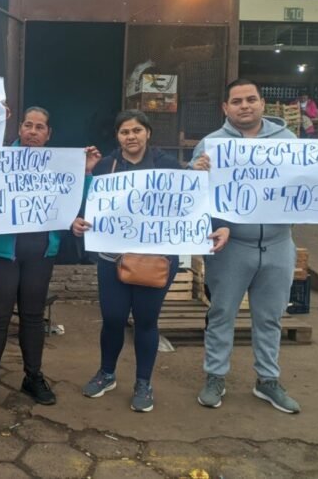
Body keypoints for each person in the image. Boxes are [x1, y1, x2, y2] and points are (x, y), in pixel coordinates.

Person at [191, 79, 318, 414]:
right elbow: (193, 196)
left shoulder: (288, 141)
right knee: (221, 313)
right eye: (237, 101)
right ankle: (215, 376)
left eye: (251, 99)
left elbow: (312, 181)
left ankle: (268, 380)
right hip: (231, 246)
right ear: (225, 108)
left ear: (262, 103)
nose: (245, 106)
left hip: (279, 244)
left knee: (270, 317)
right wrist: (194, 172)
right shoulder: (211, 145)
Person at [71, 109, 229, 413]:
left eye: (137, 130)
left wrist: (216, 219)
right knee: (113, 319)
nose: (130, 136)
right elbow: (85, 209)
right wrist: (77, 220)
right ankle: (106, 374)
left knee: (146, 321)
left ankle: (143, 382)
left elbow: (193, 202)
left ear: (148, 133)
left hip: (156, 261)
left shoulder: (169, 166)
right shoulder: (104, 166)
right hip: (112, 258)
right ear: (117, 136)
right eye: (124, 132)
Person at [0, 106, 101, 412]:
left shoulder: (59, 165)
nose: (33, 131)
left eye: (39, 127)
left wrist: (86, 172)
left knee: (33, 317)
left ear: (48, 134)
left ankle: (33, 377)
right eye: (28, 125)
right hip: (0, 253)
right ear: (19, 129)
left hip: (40, 253)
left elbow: (78, 204)